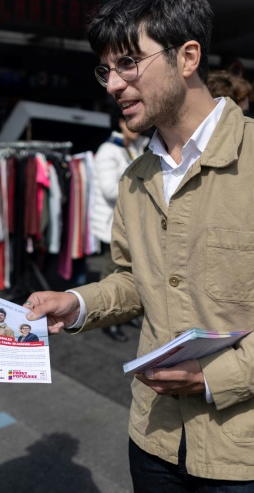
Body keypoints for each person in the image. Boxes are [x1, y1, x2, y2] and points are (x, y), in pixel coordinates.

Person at [23, 0, 254, 491]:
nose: (112, 84)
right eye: (106, 69)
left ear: (187, 56)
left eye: (129, 62)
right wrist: (77, 303)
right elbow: (135, 281)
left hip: (251, 447)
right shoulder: (136, 177)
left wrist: (215, 378)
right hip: (154, 435)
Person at [90, 110, 149, 342]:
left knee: (129, 272)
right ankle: (107, 320)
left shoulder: (132, 146)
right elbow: (108, 190)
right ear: (119, 123)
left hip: (127, 224)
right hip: (110, 224)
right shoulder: (109, 150)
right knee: (111, 274)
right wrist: (144, 188)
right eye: (129, 120)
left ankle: (124, 315)